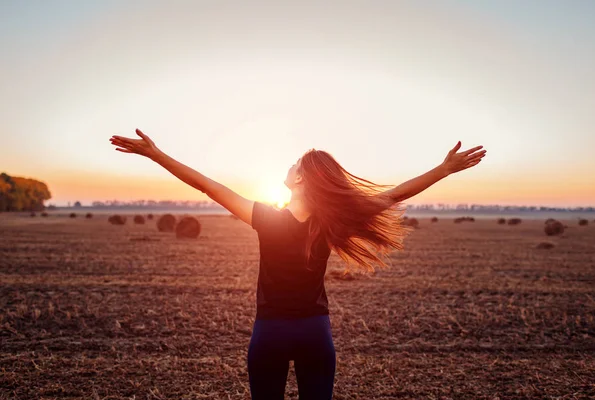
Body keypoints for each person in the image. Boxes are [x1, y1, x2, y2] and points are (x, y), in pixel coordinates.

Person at [110, 129, 486, 399]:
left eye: (293, 164)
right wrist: (443, 170)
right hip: (315, 335)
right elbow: (394, 195)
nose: (288, 168)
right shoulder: (329, 223)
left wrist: (156, 155)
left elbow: (207, 185)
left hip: (269, 333)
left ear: (301, 177)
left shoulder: (265, 218)